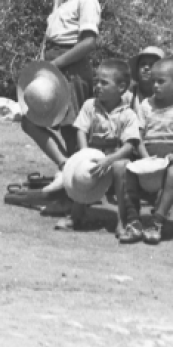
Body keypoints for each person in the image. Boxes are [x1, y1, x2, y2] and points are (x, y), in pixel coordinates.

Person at [20, 0, 102, 170]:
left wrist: (57, 63)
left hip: (71, 67)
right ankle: (64, 165)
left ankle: (78, 182)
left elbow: (88, 42)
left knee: (71, 128)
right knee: (31, 120)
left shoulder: (87, 1)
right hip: (52, 64)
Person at [58, 61, 143, 234]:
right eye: (96, 81)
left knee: (121, 169)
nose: (97, 86)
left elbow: (129, 145)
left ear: (121, 88)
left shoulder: (128, 114)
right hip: (93, 155)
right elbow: (81, 130)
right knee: (83, 171)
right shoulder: (90, 106)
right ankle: (76, 214)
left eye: (104, 83)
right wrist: (84, 154)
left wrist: (110, 160)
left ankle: (122, 218)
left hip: (115, 157)